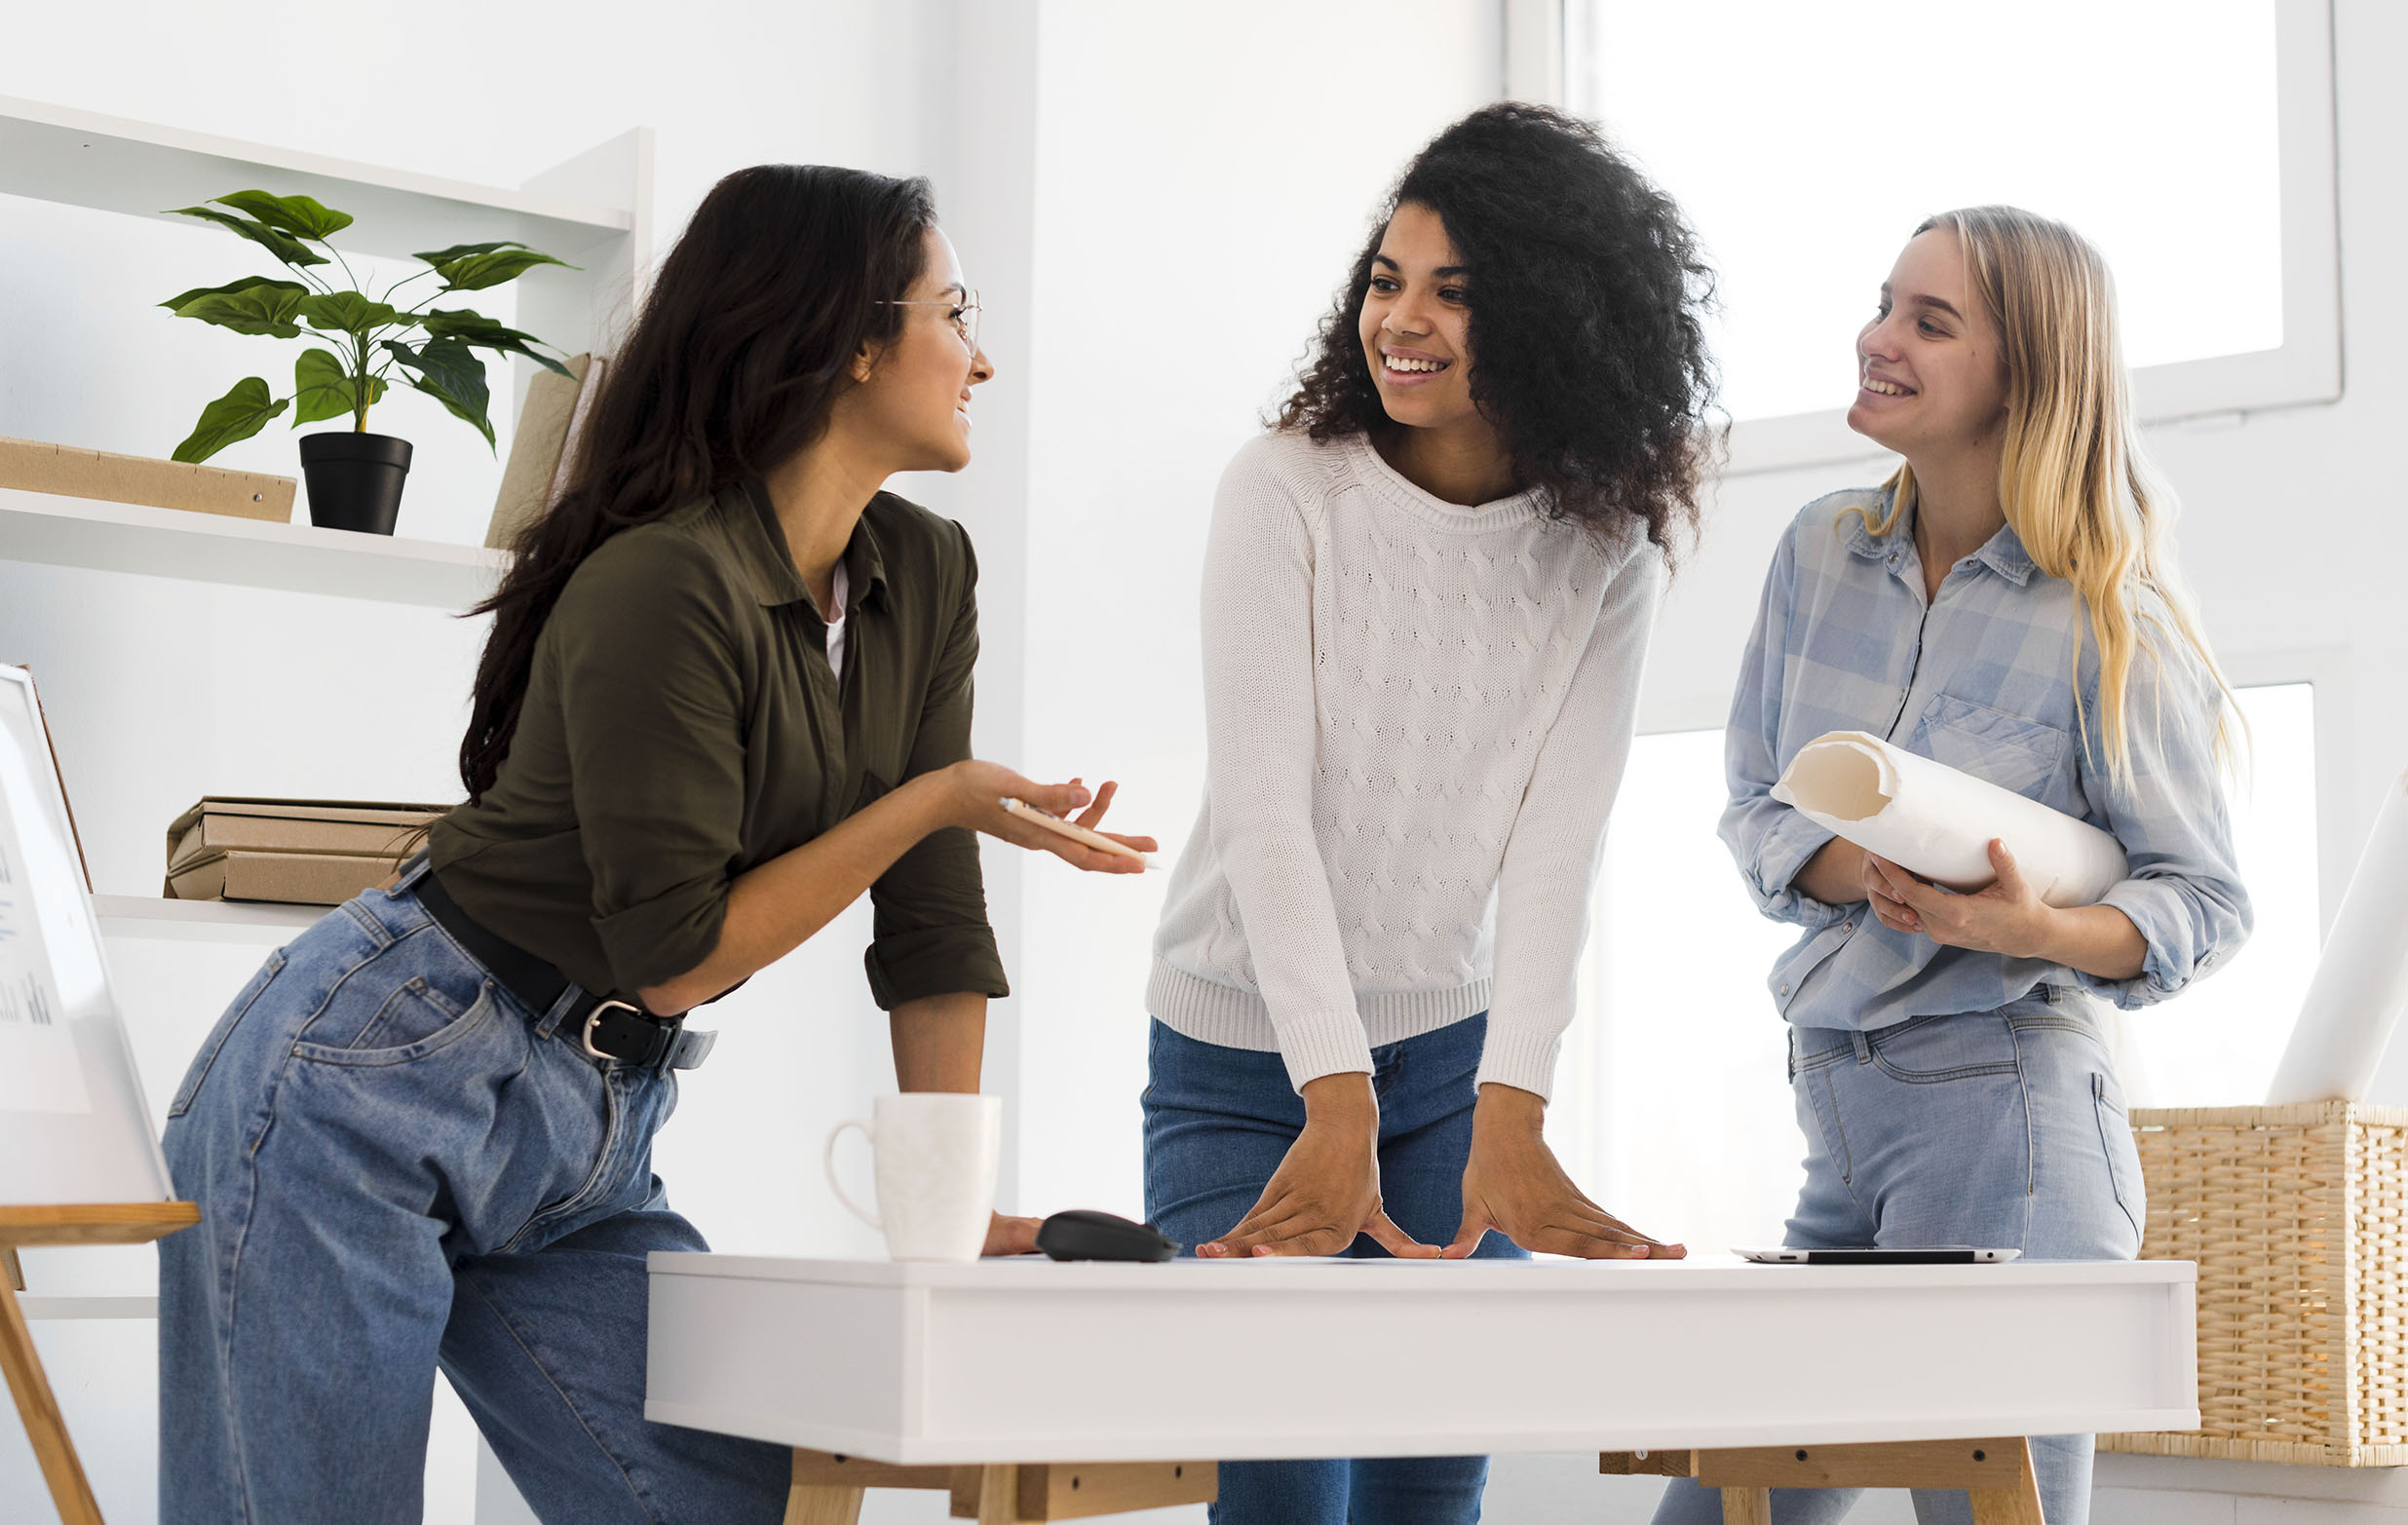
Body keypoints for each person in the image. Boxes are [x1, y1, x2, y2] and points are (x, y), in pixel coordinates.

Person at [156, 164, 1155, 1525]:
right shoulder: (664, 581)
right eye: (954, 310)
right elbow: (676, 949)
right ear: (850, 341)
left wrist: (952, 1217)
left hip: (594, 1128)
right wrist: (933, 796)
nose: (982, 355)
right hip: (368, 1079)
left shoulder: (925, 572)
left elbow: (929, 923)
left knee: (730, 1502)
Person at [1141, 102, 1719, 1523]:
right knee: (1288, 1481)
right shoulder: (1284, 490)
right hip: (1238, 1058)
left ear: (1557, 315)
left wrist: (1508, 1110)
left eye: (1456, 293)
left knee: (1427, 1478)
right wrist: (1332, 1095)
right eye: (1387, 279)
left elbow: (1555, 845)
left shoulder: (1603, 546)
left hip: (1450, 1065)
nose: (1401, 321)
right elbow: (1268, 816)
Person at [1652, 206, 2252, 1525]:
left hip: (2012, 1130)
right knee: (1721, 1506)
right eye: (1883, 304)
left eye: (1931, 321)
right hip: (1843, 1115)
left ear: (2025, 374)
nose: (1879, 338)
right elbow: (1756, 806)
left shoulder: (2108, 615)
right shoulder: (1820, 553)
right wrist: (1853, 866)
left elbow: (2202, 901)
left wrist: (2028, 927)